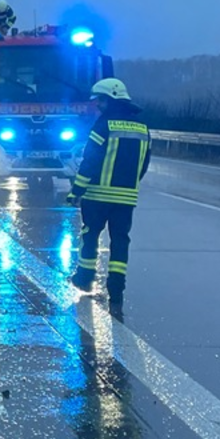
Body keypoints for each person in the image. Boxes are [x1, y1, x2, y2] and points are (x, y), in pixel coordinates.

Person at [67, 78, 151, 307]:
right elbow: (143, 165)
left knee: (90, 234)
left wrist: (77, 190)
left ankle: (84, 278)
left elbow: (90, 161)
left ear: (111, 99)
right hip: (126, 198)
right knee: (120, 241)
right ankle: (116, 288)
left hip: (97, 195)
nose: (98, 105)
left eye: (101, 101)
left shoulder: (103, 126)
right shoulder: (142, 128)